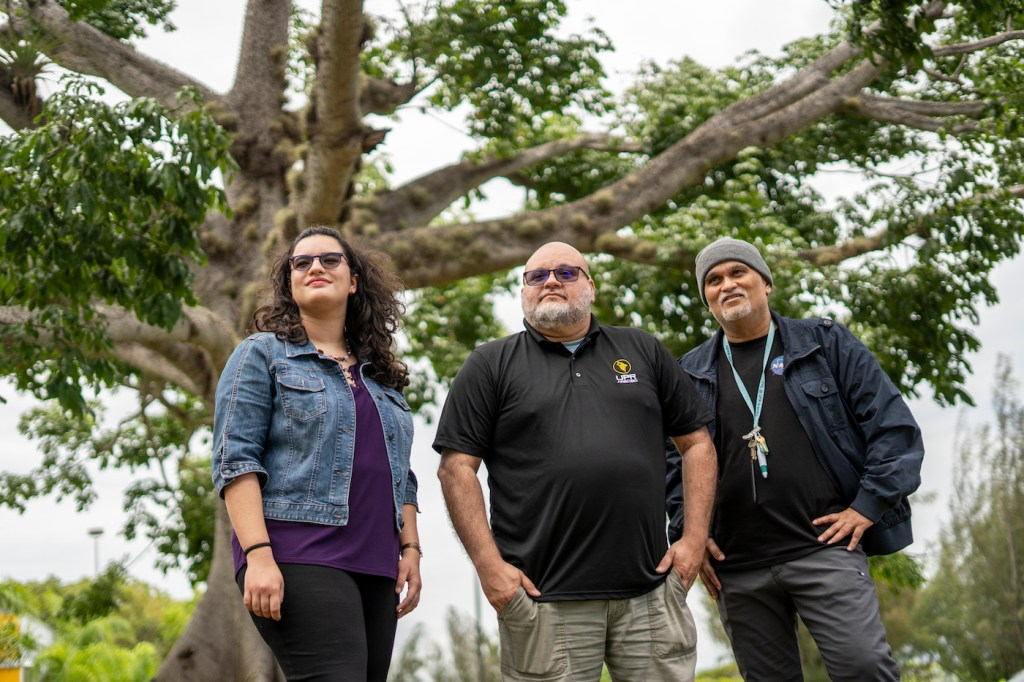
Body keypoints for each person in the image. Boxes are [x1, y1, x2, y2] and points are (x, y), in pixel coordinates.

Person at [434, 241, 717, 681]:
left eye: (566, 273)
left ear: (590, 286)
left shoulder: (641, 348)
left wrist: (694, 540)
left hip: (650, 592)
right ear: (523, 290)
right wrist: (491, 570)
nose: (550, 281)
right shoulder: (489, 364)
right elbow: (456, 469)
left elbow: (697, 443)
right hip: (543, 602)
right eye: (536, 276)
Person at [669, 237, 924, 681]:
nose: (726, 285)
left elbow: (893, 427)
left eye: (737, 272)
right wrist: (691, 534)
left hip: (824, 549)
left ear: (765, 282)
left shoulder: (824, 344)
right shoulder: (687, 374)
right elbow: (670, 467)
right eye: (713, 280)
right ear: (706, 297)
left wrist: (867, 505)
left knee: (865, 667)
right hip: (739, 566)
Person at [211, 225, 421, 681]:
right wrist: (259, 555)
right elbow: (235, 462)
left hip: (376, 563)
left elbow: (401, 474)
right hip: (297, 554)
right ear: (289, 282)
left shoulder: (381, 377)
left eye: (330, 260)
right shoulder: (261, 355)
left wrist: (410, 548)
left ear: (353, 281)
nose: (315, 268)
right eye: (301, 263)